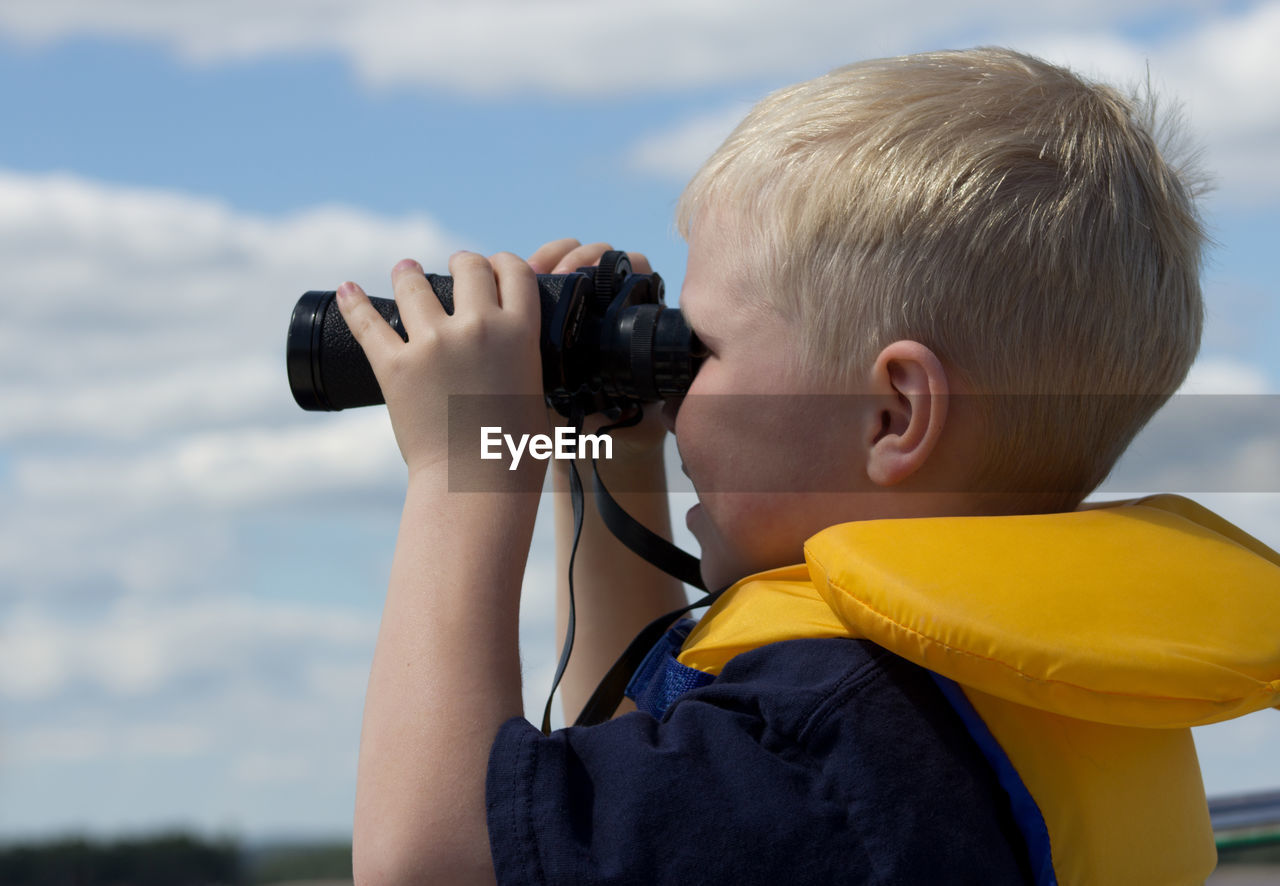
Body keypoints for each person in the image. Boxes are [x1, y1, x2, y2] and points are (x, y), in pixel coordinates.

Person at [335, 48, 1280, 885]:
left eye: (698, 351)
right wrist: (607, 448)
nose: (671, 391)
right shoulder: (950, 698)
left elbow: (438, 861)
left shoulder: (834, 739)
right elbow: (610, 769)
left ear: (892, 413)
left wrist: (467, 464)